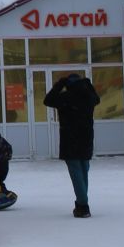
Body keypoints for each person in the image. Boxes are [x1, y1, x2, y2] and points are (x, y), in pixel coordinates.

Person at [43, 69, 99, 217]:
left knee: (76, 172)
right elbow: (97, 98)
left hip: (70, 138)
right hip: (86, 137)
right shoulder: (89, 97)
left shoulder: (66, 97)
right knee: (83, 169)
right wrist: (87, 83)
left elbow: (47, 100)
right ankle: (82, 202)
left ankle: (83, 205)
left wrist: (59, 84)